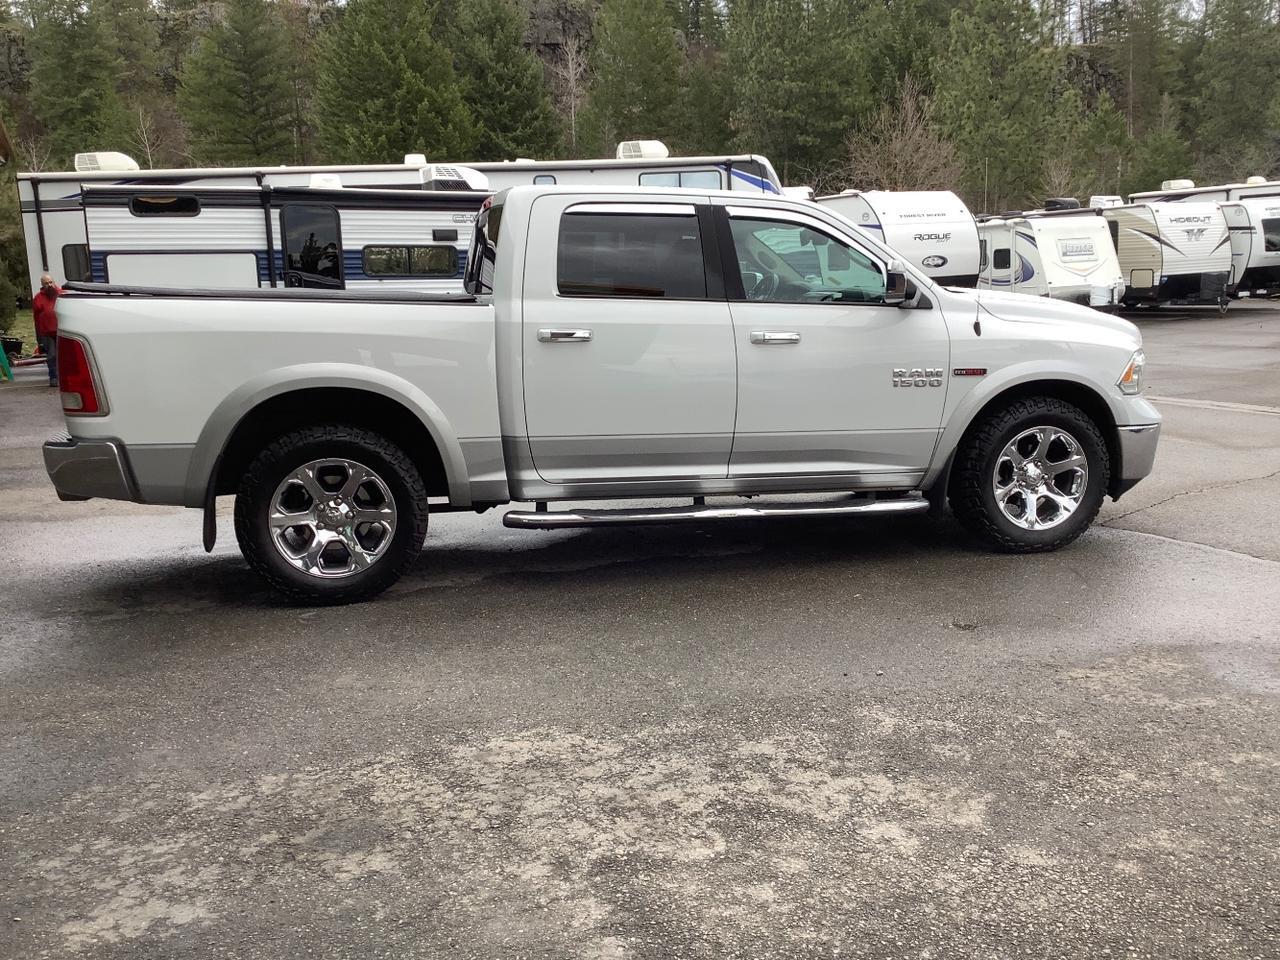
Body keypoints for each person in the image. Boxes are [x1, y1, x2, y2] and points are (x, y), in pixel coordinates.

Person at [32, 274, 61, 387]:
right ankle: (53, 377)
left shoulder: (62, 294)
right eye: (46, 284)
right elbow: (36, 317)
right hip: (47, 332)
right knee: (52, 355)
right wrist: (39, 335)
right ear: (42, 285)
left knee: (65, 356)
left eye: (50, 282)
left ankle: (66, 378)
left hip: (62, 331)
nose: (49, 285)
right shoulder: (38, 298)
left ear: (54, 282)